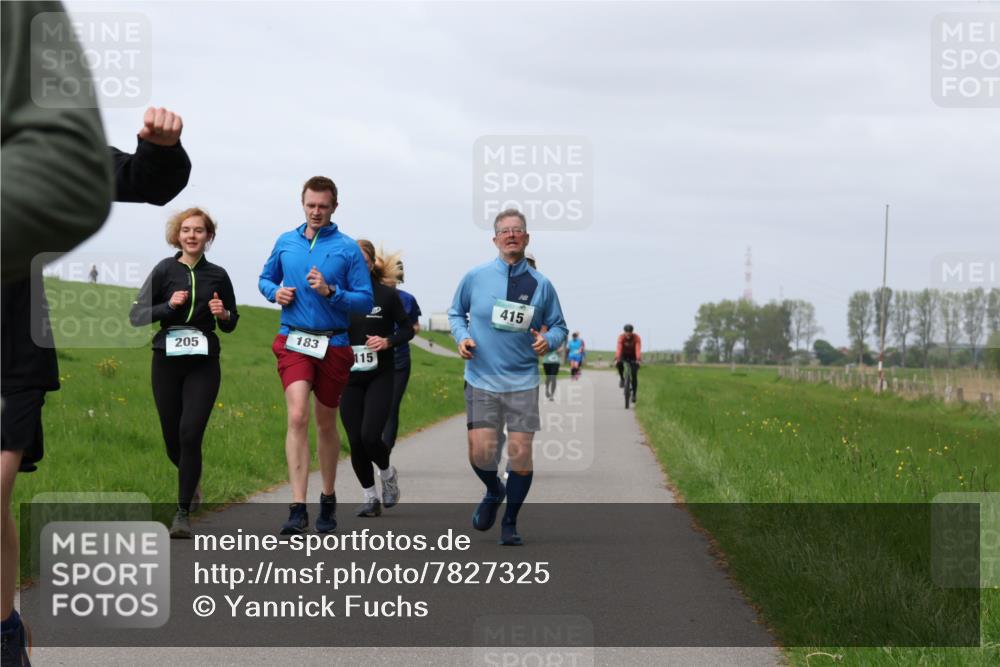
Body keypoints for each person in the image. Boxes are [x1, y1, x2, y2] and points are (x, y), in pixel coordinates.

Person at [1, 5, 190, 658]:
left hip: (8, 345)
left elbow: (130, 180)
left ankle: (4, 636)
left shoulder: (20, 135)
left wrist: (160, 152)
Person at [259, 176, 373, 535]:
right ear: (302, 204)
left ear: (334, 207)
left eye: (323, 206)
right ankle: (297, 506)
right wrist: (274, 293)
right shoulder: (286, 241)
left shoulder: (347, 248)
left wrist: (331, 291)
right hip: (293, 339)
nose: (316, 212)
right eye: (310, 205)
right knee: (296, 416)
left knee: (325, 423)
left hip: (334, 345)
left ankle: (327, 497)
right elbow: (264, 278)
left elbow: (365, 299)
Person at [448, 209, 567, 546]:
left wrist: (550, 339)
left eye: (518, 230)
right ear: (495, 239)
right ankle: (493, 489)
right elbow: (457, 313)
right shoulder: (475, 277)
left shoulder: (542, 285)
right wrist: (461, 338)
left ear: (526, 238)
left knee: (520, 454)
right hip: (482, 377)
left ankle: (510, 522)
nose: (512, 235)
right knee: (481, 453)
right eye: (505, 231)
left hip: (522, 381)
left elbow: (559, 325)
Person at [130, 209, 238, 538]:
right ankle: (193, 482)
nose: (192, 235)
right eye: (186, 230)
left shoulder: (218, 275)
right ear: (178, 235)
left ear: (208, 236)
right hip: (167, 361)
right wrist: (168, 307)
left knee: (190, 433)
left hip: (203, 363)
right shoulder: (165, 270)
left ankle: (182, 514)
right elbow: (136, 316)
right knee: (172, 440)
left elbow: (232, 323)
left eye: (199, 230)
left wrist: (223, 314)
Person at [341, 241, 414, 516]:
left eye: (362, 260)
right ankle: (370, 497)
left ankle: (387, 473)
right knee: (355, 441)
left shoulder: (385, 296)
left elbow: (407, 330)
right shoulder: (338, 297)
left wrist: (387, 341)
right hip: (348, 377)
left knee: (370, 435)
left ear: (371, 263)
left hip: (380, 375)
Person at [380, 259, 421, 451]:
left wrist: (403, 332)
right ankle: (373, 444)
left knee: (391, 407)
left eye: (395, 275)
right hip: (375, 359)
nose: (391, 279)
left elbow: (415, 326)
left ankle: (384, 454)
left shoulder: (408, 299)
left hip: (400, 359)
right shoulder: (371, 296)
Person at [616, 324, 642, 402]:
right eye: (626, 332)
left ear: (632, 332)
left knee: (634, 375)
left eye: (629, 332)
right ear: (624, 332)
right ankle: (622, 378)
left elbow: (638, 349)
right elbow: (619, 348)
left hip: (634, 356)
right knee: (619, 363)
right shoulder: (621, 337)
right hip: (623, 355)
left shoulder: (636, 338)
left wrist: (638, 359)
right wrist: (617, 358)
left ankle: (634, 395)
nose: (628, 334)